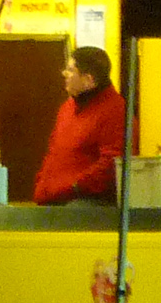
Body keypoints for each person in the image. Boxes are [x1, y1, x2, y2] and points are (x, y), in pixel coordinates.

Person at [33, 44, 126, 205]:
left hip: (86, 202)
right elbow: (53, 152)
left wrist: (74, 187)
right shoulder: (67, 108)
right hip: (54, 198)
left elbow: (111, 163)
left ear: (88, 80)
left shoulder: (116, 111)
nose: (64, 74)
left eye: (70, 70)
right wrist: (42, 184)